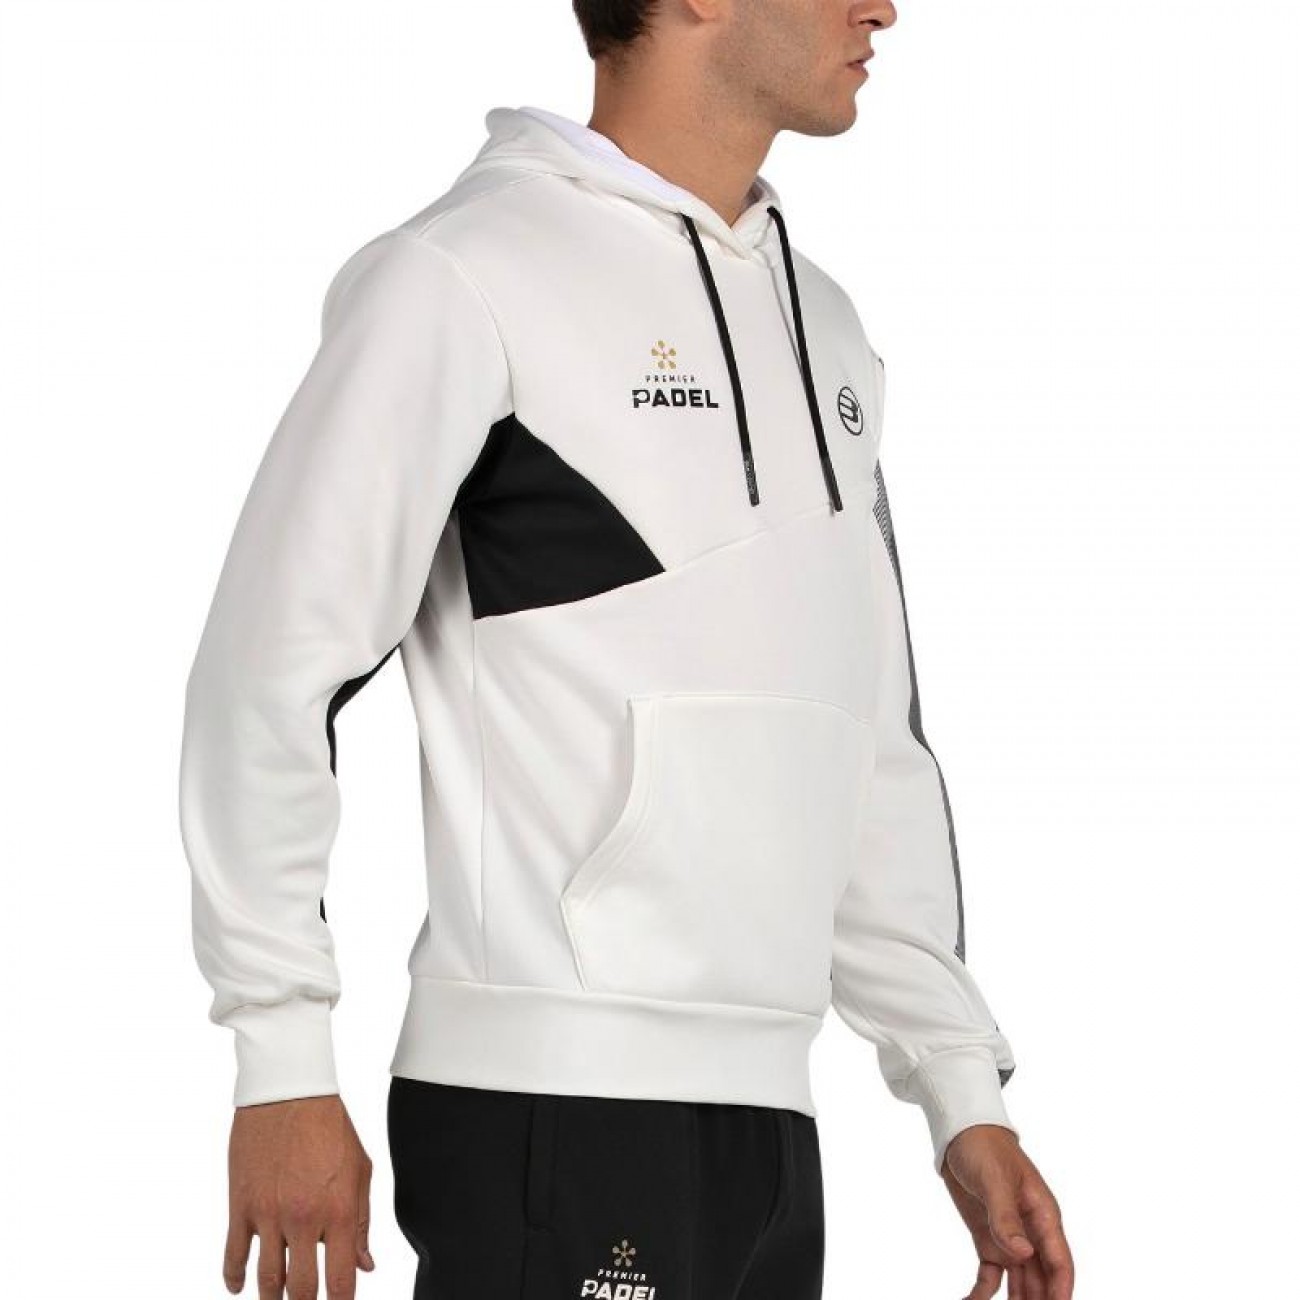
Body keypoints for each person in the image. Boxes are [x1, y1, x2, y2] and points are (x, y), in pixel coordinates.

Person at [179, 2, 1075, 1298]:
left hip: (771, 1121)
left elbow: (870, 738)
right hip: (549, 1097)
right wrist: (280, 1063)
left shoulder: (824, 326)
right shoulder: (464, 277)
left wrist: (959, 1090)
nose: (884, 5)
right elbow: (268, 669)